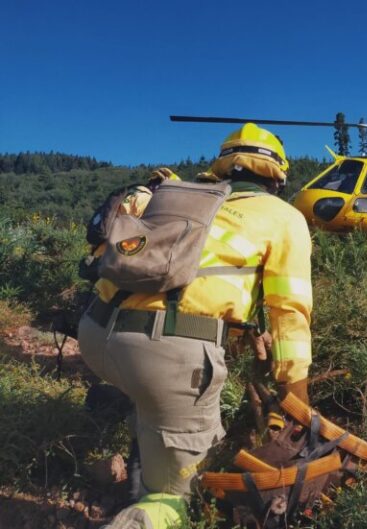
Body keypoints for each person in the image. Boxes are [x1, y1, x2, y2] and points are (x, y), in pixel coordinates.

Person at [77, 123, 313, 529]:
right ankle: (160, 496)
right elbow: (289, 313)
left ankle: (143, 414)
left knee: (148, 388)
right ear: (278, 178)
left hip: (95, 332)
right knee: (183, 493)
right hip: (161, 358)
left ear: (221, 167)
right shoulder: (283, 217)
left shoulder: (176, 195)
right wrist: (299, 405)